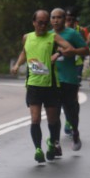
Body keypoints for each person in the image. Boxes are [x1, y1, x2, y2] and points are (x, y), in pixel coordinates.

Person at [11, 10, 73, 163]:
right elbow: (24, 52)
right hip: (33, 85)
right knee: (35, 118)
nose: (43, 25)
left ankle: (52, 142)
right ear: (34, 22)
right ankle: (38, 149)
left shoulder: (53, 37)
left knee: (52, 119)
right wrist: (17, 65)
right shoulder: (27, 37)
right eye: (40, 22)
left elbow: (69, 48)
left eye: (46, 23)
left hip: (51, 85)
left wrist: (58, 54)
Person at [50, 8, 89, 152]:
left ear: (64, 19)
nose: (56, 20)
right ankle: (55, 143)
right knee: (54, 113)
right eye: (53, 17)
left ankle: (75, 132)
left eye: (59, 17)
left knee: (70, 112)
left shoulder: (72, 34)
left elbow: (86, 50)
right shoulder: (48, 35)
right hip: (53, 80)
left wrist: (73, 51)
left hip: (69, 79)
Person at [65, 10, 89, 87]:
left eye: (73, 20)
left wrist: (80, 49)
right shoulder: (61, 29)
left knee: (78, 69)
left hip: (77, 55)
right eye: (68, 20)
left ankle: (77, 79)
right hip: (65, 56)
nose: (71, 22)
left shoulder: (81, 30)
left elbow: (85, 42)